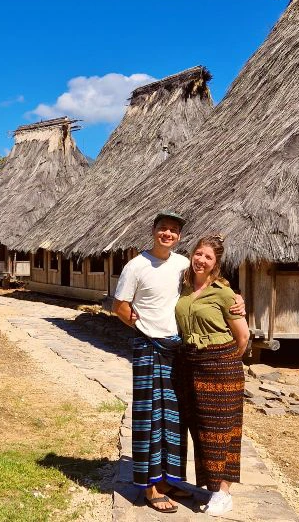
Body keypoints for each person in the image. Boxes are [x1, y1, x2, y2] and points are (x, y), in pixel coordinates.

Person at [112, 211, 245, 514]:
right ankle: (149, 486)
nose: (167, 234)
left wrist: (238, 300)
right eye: (163, 229)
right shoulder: (136, 266)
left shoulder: (183, 264)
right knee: (149, 417)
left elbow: (211, 283)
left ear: (179, 237)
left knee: (173, 419)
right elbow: (119, 306)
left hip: (178, 351)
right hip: (149, 348)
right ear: (153, 231)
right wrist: (142, 327)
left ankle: (167, 480)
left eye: (173, 230)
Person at [175, 235, 249, 517]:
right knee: (200, 428)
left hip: (221, 364)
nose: (201, 260)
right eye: (198, 254)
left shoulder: (224, 293)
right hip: (190, 362)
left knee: (223, 430)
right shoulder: (182, 287)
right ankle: (212, 486)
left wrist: (224, 360)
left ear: (215, 264)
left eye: (208, 257)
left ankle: (224, 492)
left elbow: (243, 337)